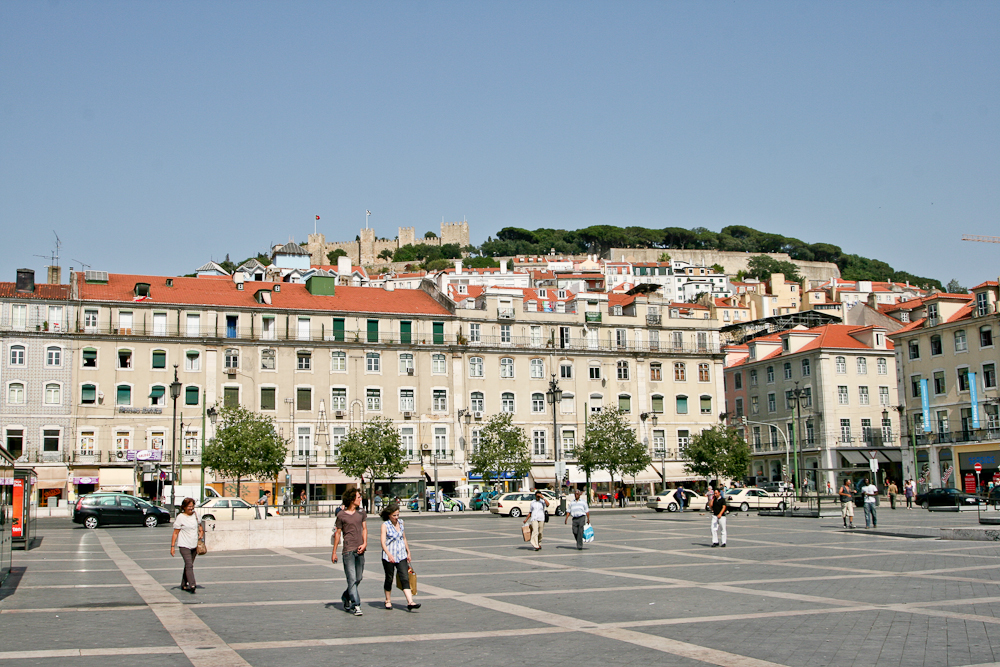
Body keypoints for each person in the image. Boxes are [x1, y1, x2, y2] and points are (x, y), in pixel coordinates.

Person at [332, 488, 367, 616]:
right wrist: (334, 552)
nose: (360, 499)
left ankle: (346, 596)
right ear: (352, 499)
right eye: (358, 497)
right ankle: (356, 605)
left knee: (358, 578)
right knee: (351, 578)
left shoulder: (361, 513)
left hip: (360, 549)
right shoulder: (341, 515)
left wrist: (365, 543)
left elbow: (364, 529)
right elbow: (338, 533)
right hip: (348, 550)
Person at [379, 503, 420, 611]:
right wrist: (388, 554)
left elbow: (404, 538)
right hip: (389, 556)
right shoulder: (385, 525)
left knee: (405, 577)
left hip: (401, 555)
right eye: (394, 515)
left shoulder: (401, 523)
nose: (396, 517)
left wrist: (408, 551)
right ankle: (388, 600)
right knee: (389, 578)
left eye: (397, 515)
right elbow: (383, 542)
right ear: (389, 515)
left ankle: (410, 602)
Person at [170, 497, 204, 594]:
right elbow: (175, 533)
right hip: (184, 545)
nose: (191, 508)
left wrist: (201, 533)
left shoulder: (196, 515)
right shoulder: (180, 517)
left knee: (188, 565)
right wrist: (172, 546)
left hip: (194, 544)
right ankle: (192, 584)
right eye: (189, 506)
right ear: (184, 507)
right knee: (189, 565)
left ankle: (183, 584)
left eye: (192, 506)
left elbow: (200, 527)